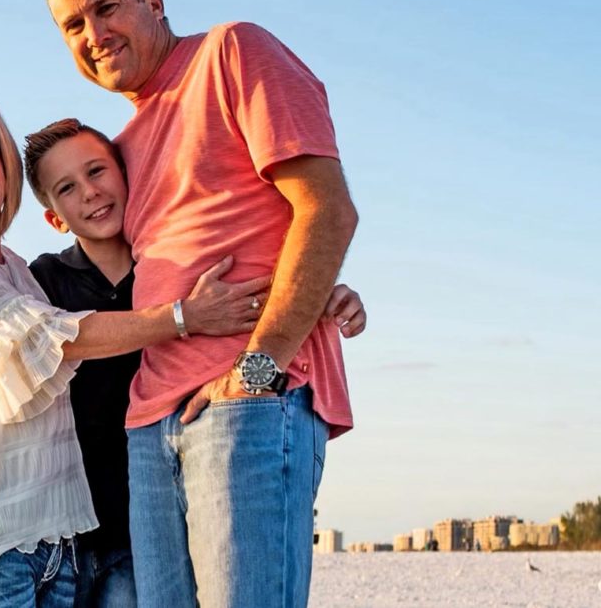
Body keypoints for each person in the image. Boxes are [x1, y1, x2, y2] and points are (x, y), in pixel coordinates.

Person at [43, 0, 361, 608]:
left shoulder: (233, 52)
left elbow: (328, 211)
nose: (94, 33)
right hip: (147, 425)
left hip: (245, 402)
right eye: (72, 24)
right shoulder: (120, 149)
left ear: (153, 2)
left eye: (106, 8)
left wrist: (260, 368)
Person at [0, 89, 265, 607]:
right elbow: (50, 338)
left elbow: (6, 361)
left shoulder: (14, 270)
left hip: (56, 544)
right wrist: (184, 316)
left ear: (3, 163)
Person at [21, 118, 367, 608]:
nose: (90, 193)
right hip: (76, 531)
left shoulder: (172, 270)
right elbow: (4, 340)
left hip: (152, 515)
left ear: (128, 177)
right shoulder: (47, 279)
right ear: (55, 217)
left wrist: (330, 296)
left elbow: (271, 282)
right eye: (67, 188)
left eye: (97, 171)